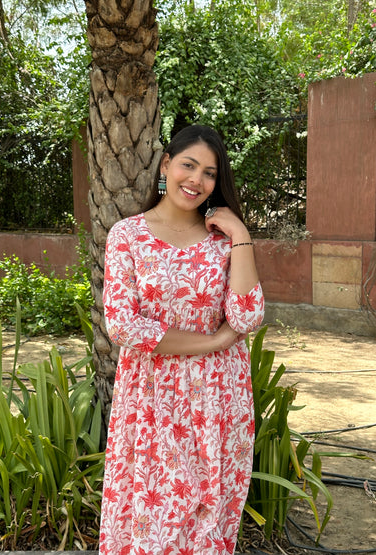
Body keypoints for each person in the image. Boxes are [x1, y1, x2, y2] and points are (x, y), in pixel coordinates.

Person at [100, 124, 264, 555]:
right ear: (166, 165)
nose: (196, 180)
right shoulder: (127, 235)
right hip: (152, 400)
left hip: (218, 399)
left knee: (209, 518)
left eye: (209, 173)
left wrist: (239, 233)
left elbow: (247, 315)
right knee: (154, 516)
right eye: (188, 165)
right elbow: (122, 326)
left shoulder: (221, 241)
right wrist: (212, 342)